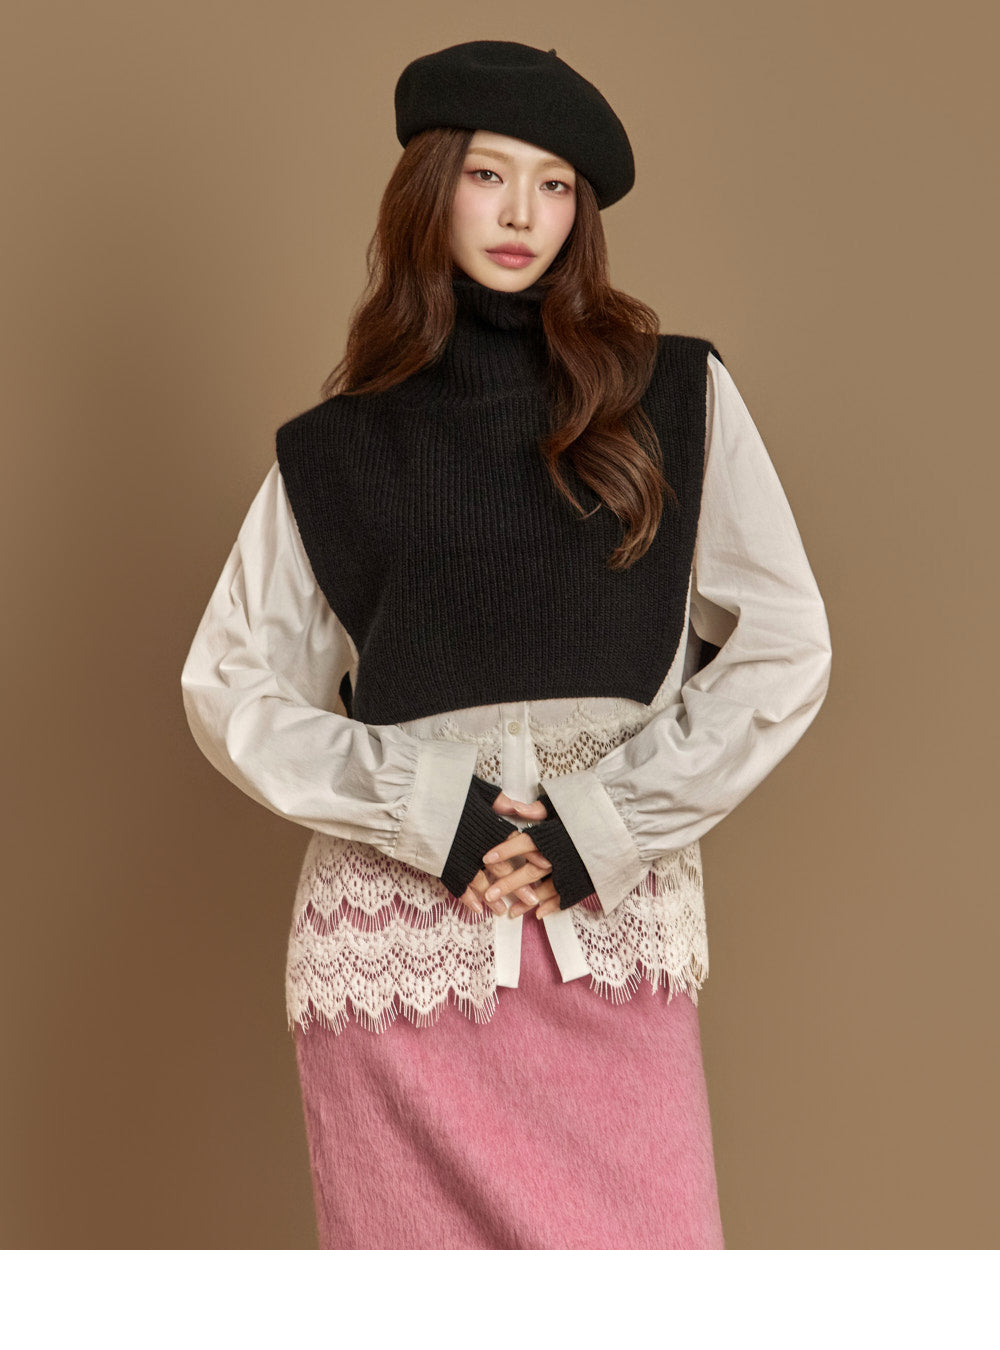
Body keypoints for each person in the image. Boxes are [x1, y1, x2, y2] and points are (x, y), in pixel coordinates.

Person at [180, 39, 832, 1250]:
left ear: (581, 211)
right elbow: (229, 686)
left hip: (605, 942)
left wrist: (603, 822)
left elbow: (784, 647)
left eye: (554, 184)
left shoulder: (675, 396)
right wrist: (438, 814)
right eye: (489, 175)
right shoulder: (337, 450)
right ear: (432, 189)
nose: (524, 212)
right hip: (395, 970)